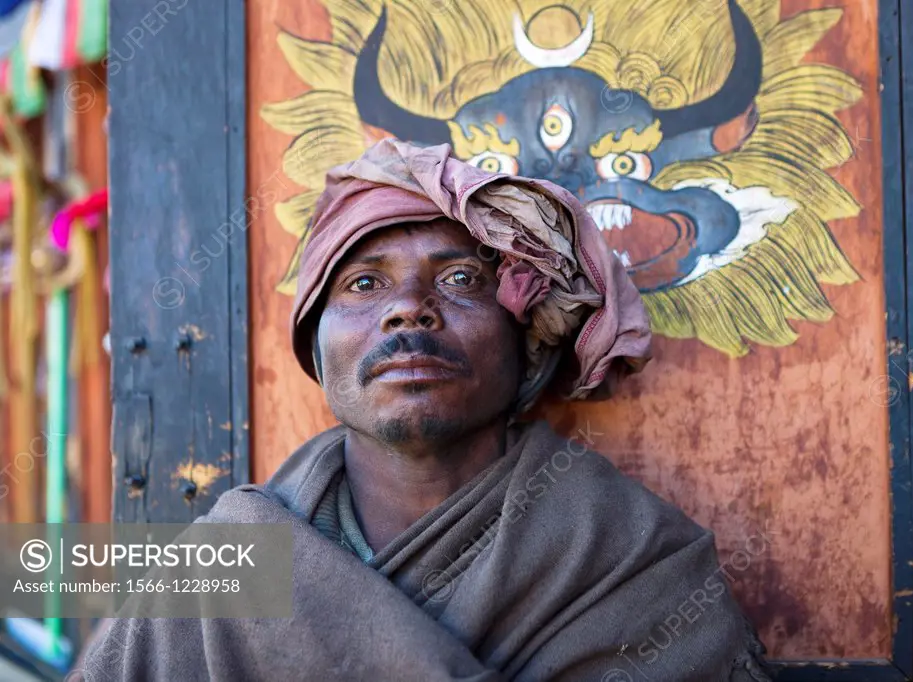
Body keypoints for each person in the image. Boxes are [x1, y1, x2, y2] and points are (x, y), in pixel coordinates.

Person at [82, 139, 773, 681]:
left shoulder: (635, 566)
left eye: (461, 278)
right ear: (318, 354)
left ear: (529, 350)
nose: (408, 308)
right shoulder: (213, 576)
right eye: (363, 282)